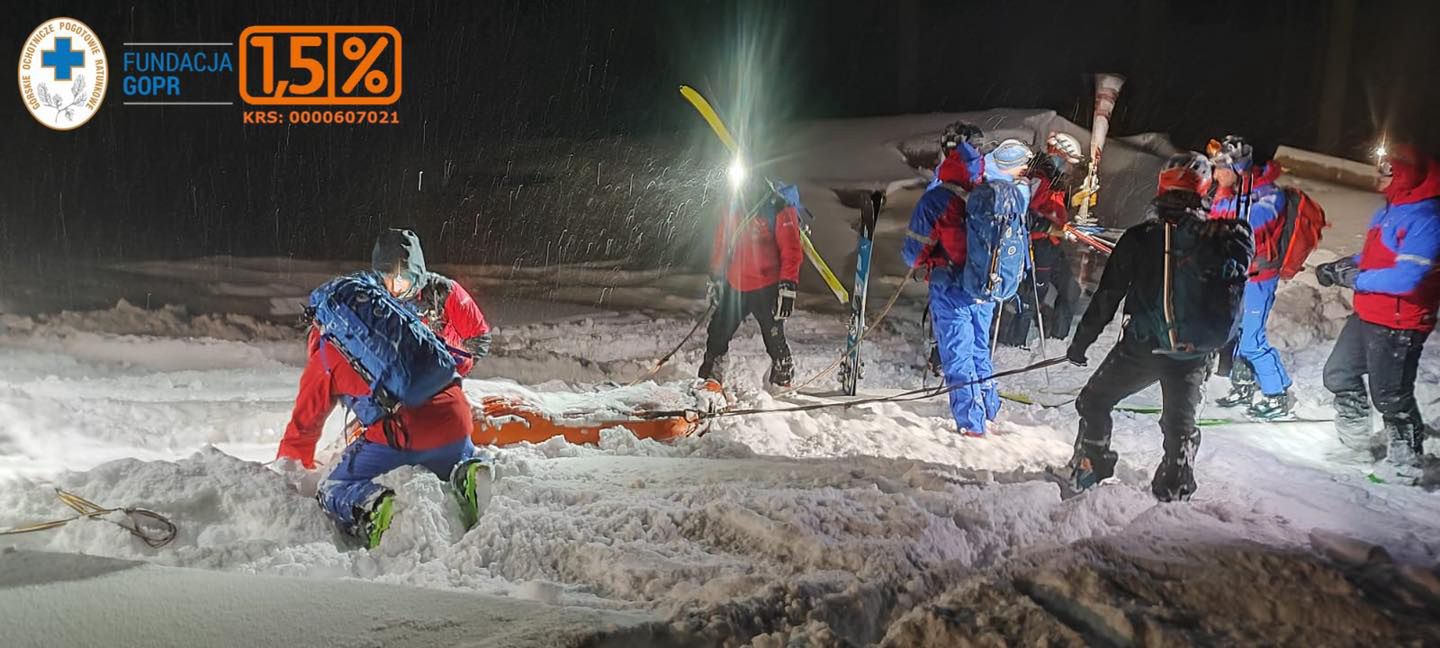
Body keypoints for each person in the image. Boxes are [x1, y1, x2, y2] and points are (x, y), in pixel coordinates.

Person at [1065, 152, 1254, 501]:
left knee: (1094, 401)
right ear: (1203, 190)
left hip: (1141, 348)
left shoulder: (1140, 237)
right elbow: (1232, 299)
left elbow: (1108, 295)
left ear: (1161, 187)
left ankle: (1091, 465)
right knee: (1180, 427)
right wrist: (1226, 354)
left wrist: (1081, 343)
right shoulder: (1221, 238)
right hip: (1193, 353)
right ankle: (1175, 488)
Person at [276, 296, 492, 548]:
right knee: (450, 456)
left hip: (407, 431)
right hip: (457, 417)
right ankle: (467, 472)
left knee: (332, 487)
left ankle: (375, 507)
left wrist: (287, 471)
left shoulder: (326, 354)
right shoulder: (400, 330)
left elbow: (304, 428)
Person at [1315, 142, 1440, 471]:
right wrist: (1342, 265)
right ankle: (1355, 443)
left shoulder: (1426, 218)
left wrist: (1356, 279)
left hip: (1401, 321)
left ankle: (1406, 461)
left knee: (1390, 395)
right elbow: (1373, 257)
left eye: (1387, 170)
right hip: (1370, 313)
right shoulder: (1390, 208)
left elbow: (1406, 278)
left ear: (1405, 175)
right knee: (1339, 373)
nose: (1379, 175)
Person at [904, 138, 1033, 436]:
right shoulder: (986, 193)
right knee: (978, 349)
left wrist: (931, 255)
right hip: (984, 285)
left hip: (950, 286)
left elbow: (913, 254)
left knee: (957, 352)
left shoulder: (937, 200)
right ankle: (990, 408)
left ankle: (971, 424)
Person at [1207, 136, 1294, 419]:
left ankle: (1277, 394)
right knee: (1237, 331)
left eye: (1221, 168)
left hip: (1259, 277)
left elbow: (1249, 222)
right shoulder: (1229, 193)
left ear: (1239, 168)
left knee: (1252, 340)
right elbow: (1216, 219)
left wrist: (1224, 203)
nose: (1216, 175)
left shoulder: (1269, 194)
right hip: (1239, 276)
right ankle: (1243, 385)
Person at [698, 178, 804, 389]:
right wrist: (716, 277)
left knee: (773, 335)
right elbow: (723, 242)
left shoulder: (778, 206)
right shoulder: (733, 205)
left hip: (767, 285)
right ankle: (712, 376)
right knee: (718, 331)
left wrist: (788, 285)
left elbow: (791, 249)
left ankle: (782, 377)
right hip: (735, 285)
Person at [998, 132, 1084, 346]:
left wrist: (1074, 202)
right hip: (1036, 246)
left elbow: (1051, 208)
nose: (1070, 170)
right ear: (1057, 156)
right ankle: (1015, 345)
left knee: (1070, 290)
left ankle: (1057, 340)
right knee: (1032, 297)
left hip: (1052, 246)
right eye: (1068, 163)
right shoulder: (1038, 178)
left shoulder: (1055, 179)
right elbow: (1024, 216)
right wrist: (1053, 228)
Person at [371, 228, 493, 376]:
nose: (396, 286)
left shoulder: (444, 291)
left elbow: (478, 336)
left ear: (417, 273)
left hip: (440, 375)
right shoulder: (371, 296)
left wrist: (455, 371)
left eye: (404, 277)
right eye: (388, 277)